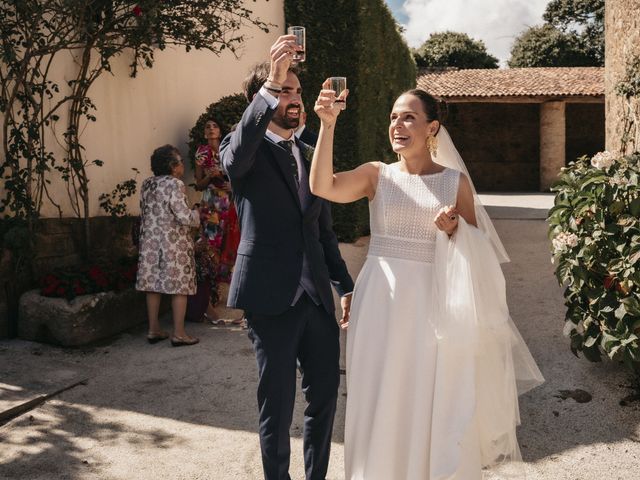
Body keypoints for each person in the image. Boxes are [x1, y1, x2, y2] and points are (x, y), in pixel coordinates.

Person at [309, 84, 544, 479]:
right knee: (377, 398)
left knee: (427, 401)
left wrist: (455, 233)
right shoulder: (376, 176)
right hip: (379, 307)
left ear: (432, 127)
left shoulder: (455, 184)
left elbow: (482, 255)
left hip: (433, 311)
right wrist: (327, 125)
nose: (397, 125)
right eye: (393, 117)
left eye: (408, 117)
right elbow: (323, 186)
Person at [219, 36, 355, 480]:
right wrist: (270, 84)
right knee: (275, 407)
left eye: (296, 91)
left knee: (325, 401)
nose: (294, 99)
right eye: (283, 91)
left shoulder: (313, 150)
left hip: (316, 298)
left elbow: (322, 229)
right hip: (269, 298)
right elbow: (235, 159)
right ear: (263, 99)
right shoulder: (243, 150)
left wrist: (344, 284)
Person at [136, 144, 206, 347]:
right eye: (180, 162)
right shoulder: (175, 184)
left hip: (150, 242)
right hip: (173, 243)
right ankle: (179, 334)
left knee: (153, 287)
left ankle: (153, 329)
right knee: (179, 288)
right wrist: (197, 213)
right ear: (173, 166)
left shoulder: (147, 184)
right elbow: (184, 217)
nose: (182, 166)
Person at [194, 118, 241, 324]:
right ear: (204, 134)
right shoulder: (202, 153)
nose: (211, 129)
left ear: (220, 131)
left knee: (231, 243)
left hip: (231, 203)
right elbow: (198, 183)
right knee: (211, 246)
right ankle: (212, 293)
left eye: (214, 125)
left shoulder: (229, 148)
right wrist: (209, 177)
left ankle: (226, 291)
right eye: (207, 127)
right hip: (212, 203)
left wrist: (233, 184)